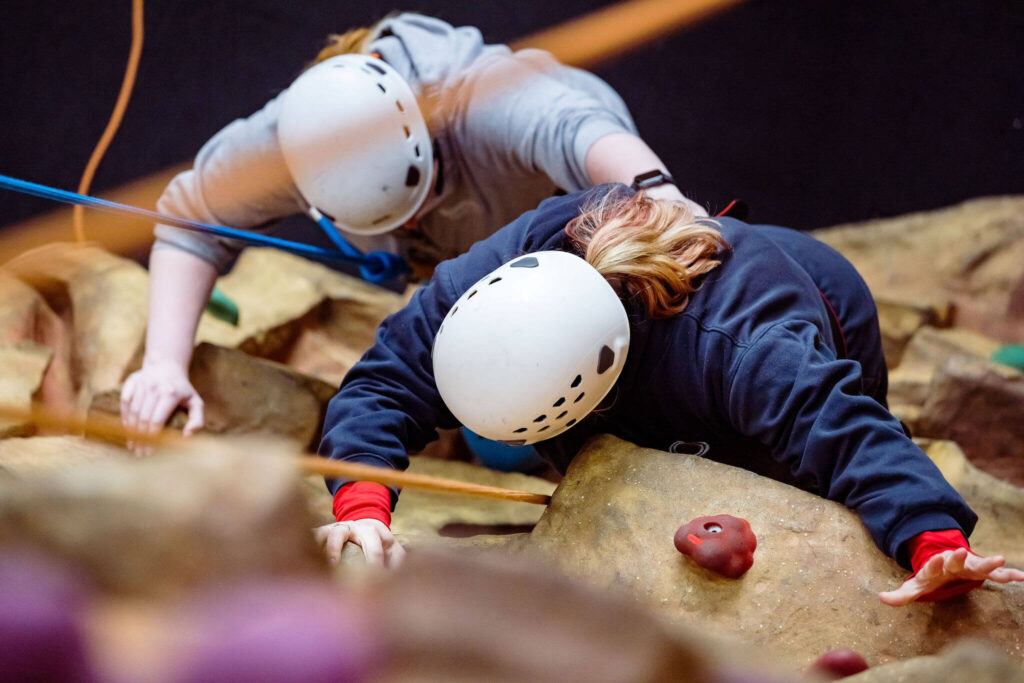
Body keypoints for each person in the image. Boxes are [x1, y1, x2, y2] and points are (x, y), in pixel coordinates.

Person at [314, 183, 1024, 606]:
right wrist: (363, 506)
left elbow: (844, 428)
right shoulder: (499, 271)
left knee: (782, 486)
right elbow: (388, 375)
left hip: (822, 303)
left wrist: (931, 540)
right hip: (644, 358)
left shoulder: (748, 351)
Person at [120, 12, 706, 438]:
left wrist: (663, 200)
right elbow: (191, 218)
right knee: (496, 423)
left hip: (582, 224)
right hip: (463, 281)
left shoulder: (475, 100)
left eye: (420, 202)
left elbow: (575, 128)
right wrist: (163, 365)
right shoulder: (289, 143)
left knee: (608, 396)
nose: (417, 220)